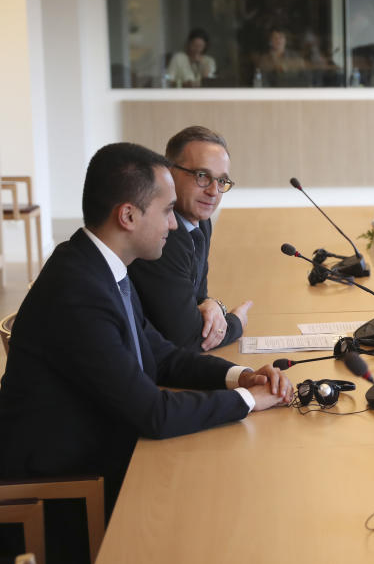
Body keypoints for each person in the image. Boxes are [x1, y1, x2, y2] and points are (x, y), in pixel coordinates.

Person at [0, 143, 292, 517]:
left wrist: (242, 378)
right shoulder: (79, 290)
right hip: (63, 489)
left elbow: (161, 355)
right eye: (167, 210)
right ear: (128, 216)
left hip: (100, 450)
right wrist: (251, 403)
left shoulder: (101, 266)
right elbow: (152, 413)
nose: (174, 223)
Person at [129, 126, 251, 351]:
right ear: (169, 172)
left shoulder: (200, 222)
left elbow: (198, 296)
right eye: (202, 176)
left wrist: (211, 304)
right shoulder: (163, 235)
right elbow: (188, 338)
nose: (214, 191)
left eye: (222, 181)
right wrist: (235, 322)